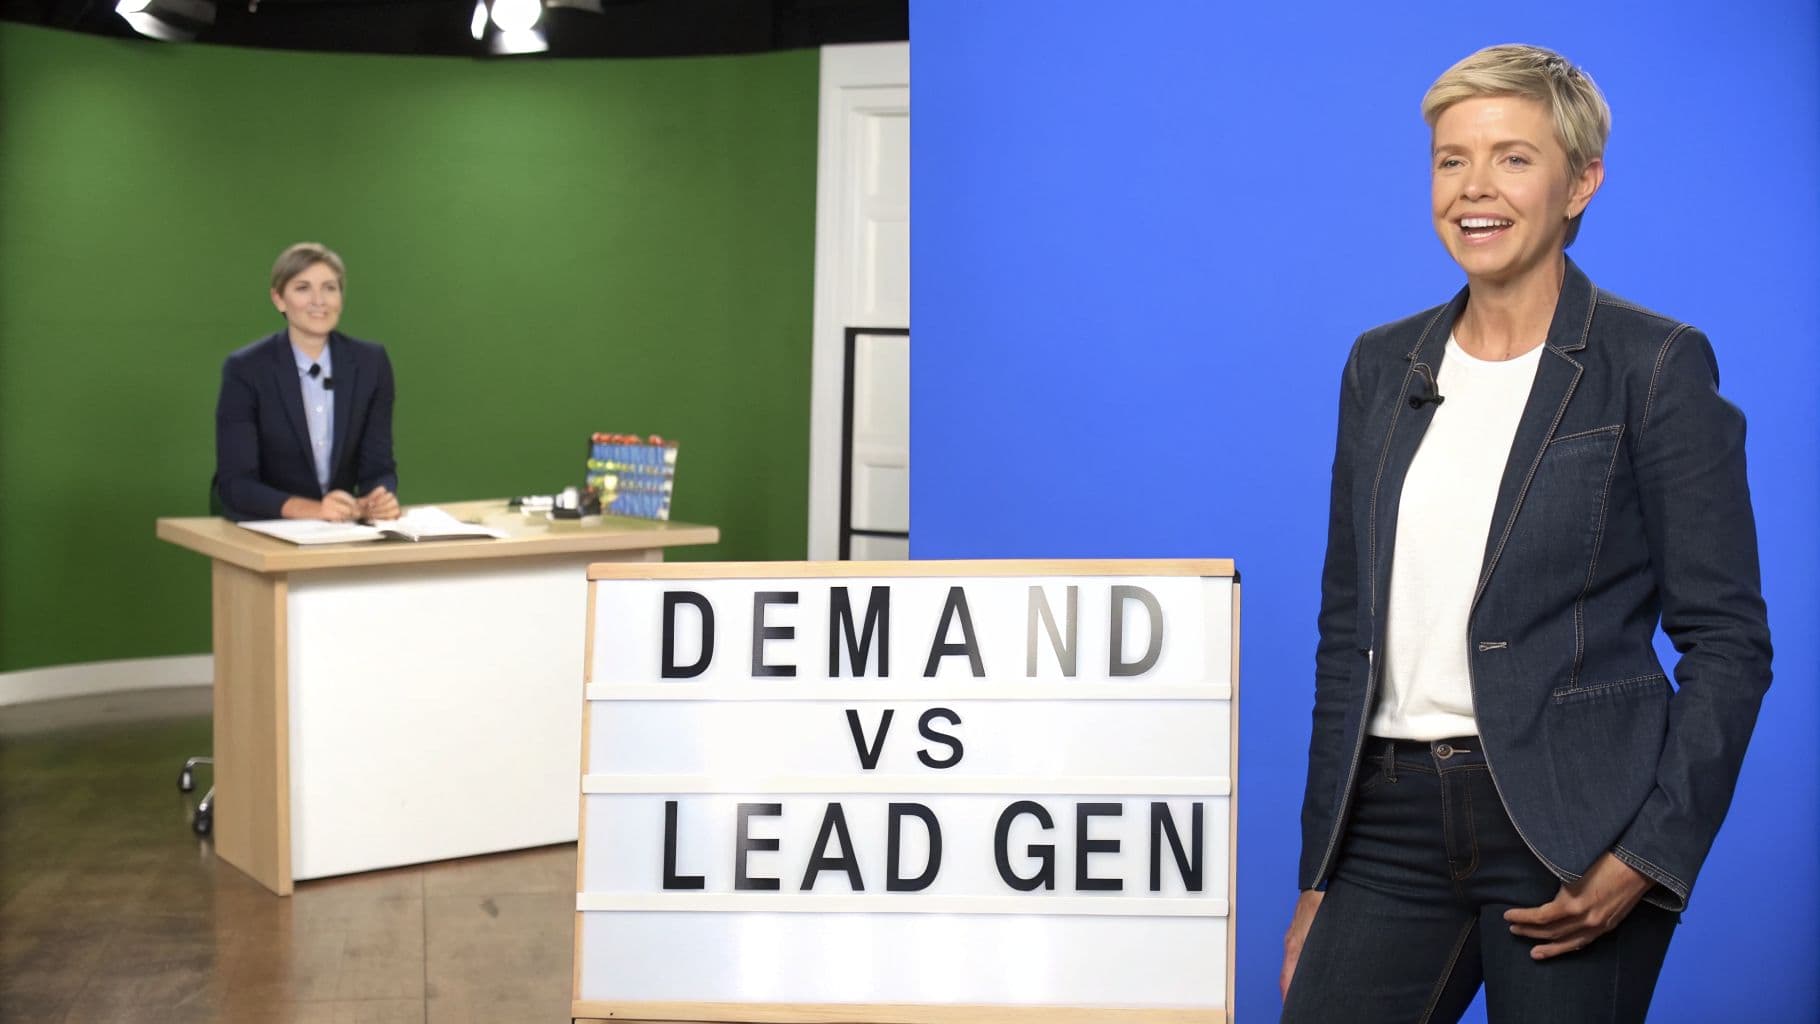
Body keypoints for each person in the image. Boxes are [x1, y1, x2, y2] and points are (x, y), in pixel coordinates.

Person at [1279, 45, 1772, 1022]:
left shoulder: (1653, 364)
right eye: (1450, 159)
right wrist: (1316, 874)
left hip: (1573, 826)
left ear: (1579, 183)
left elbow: (1728, 641)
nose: (1473, 187)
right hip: (1387, 821)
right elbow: (1347, 631)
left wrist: (1648, 853)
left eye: (1512, 157)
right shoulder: (1380, 365)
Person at [214, 242, 401, 522]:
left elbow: (378, 467)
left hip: (340, 527)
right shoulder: (246, 369)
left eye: (329, 288)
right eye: (303, 288)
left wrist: (379, 499)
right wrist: (315, 510)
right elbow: (236, 484)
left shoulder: (370, 363)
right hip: (268, 525)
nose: (319, 300)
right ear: (279, 299)